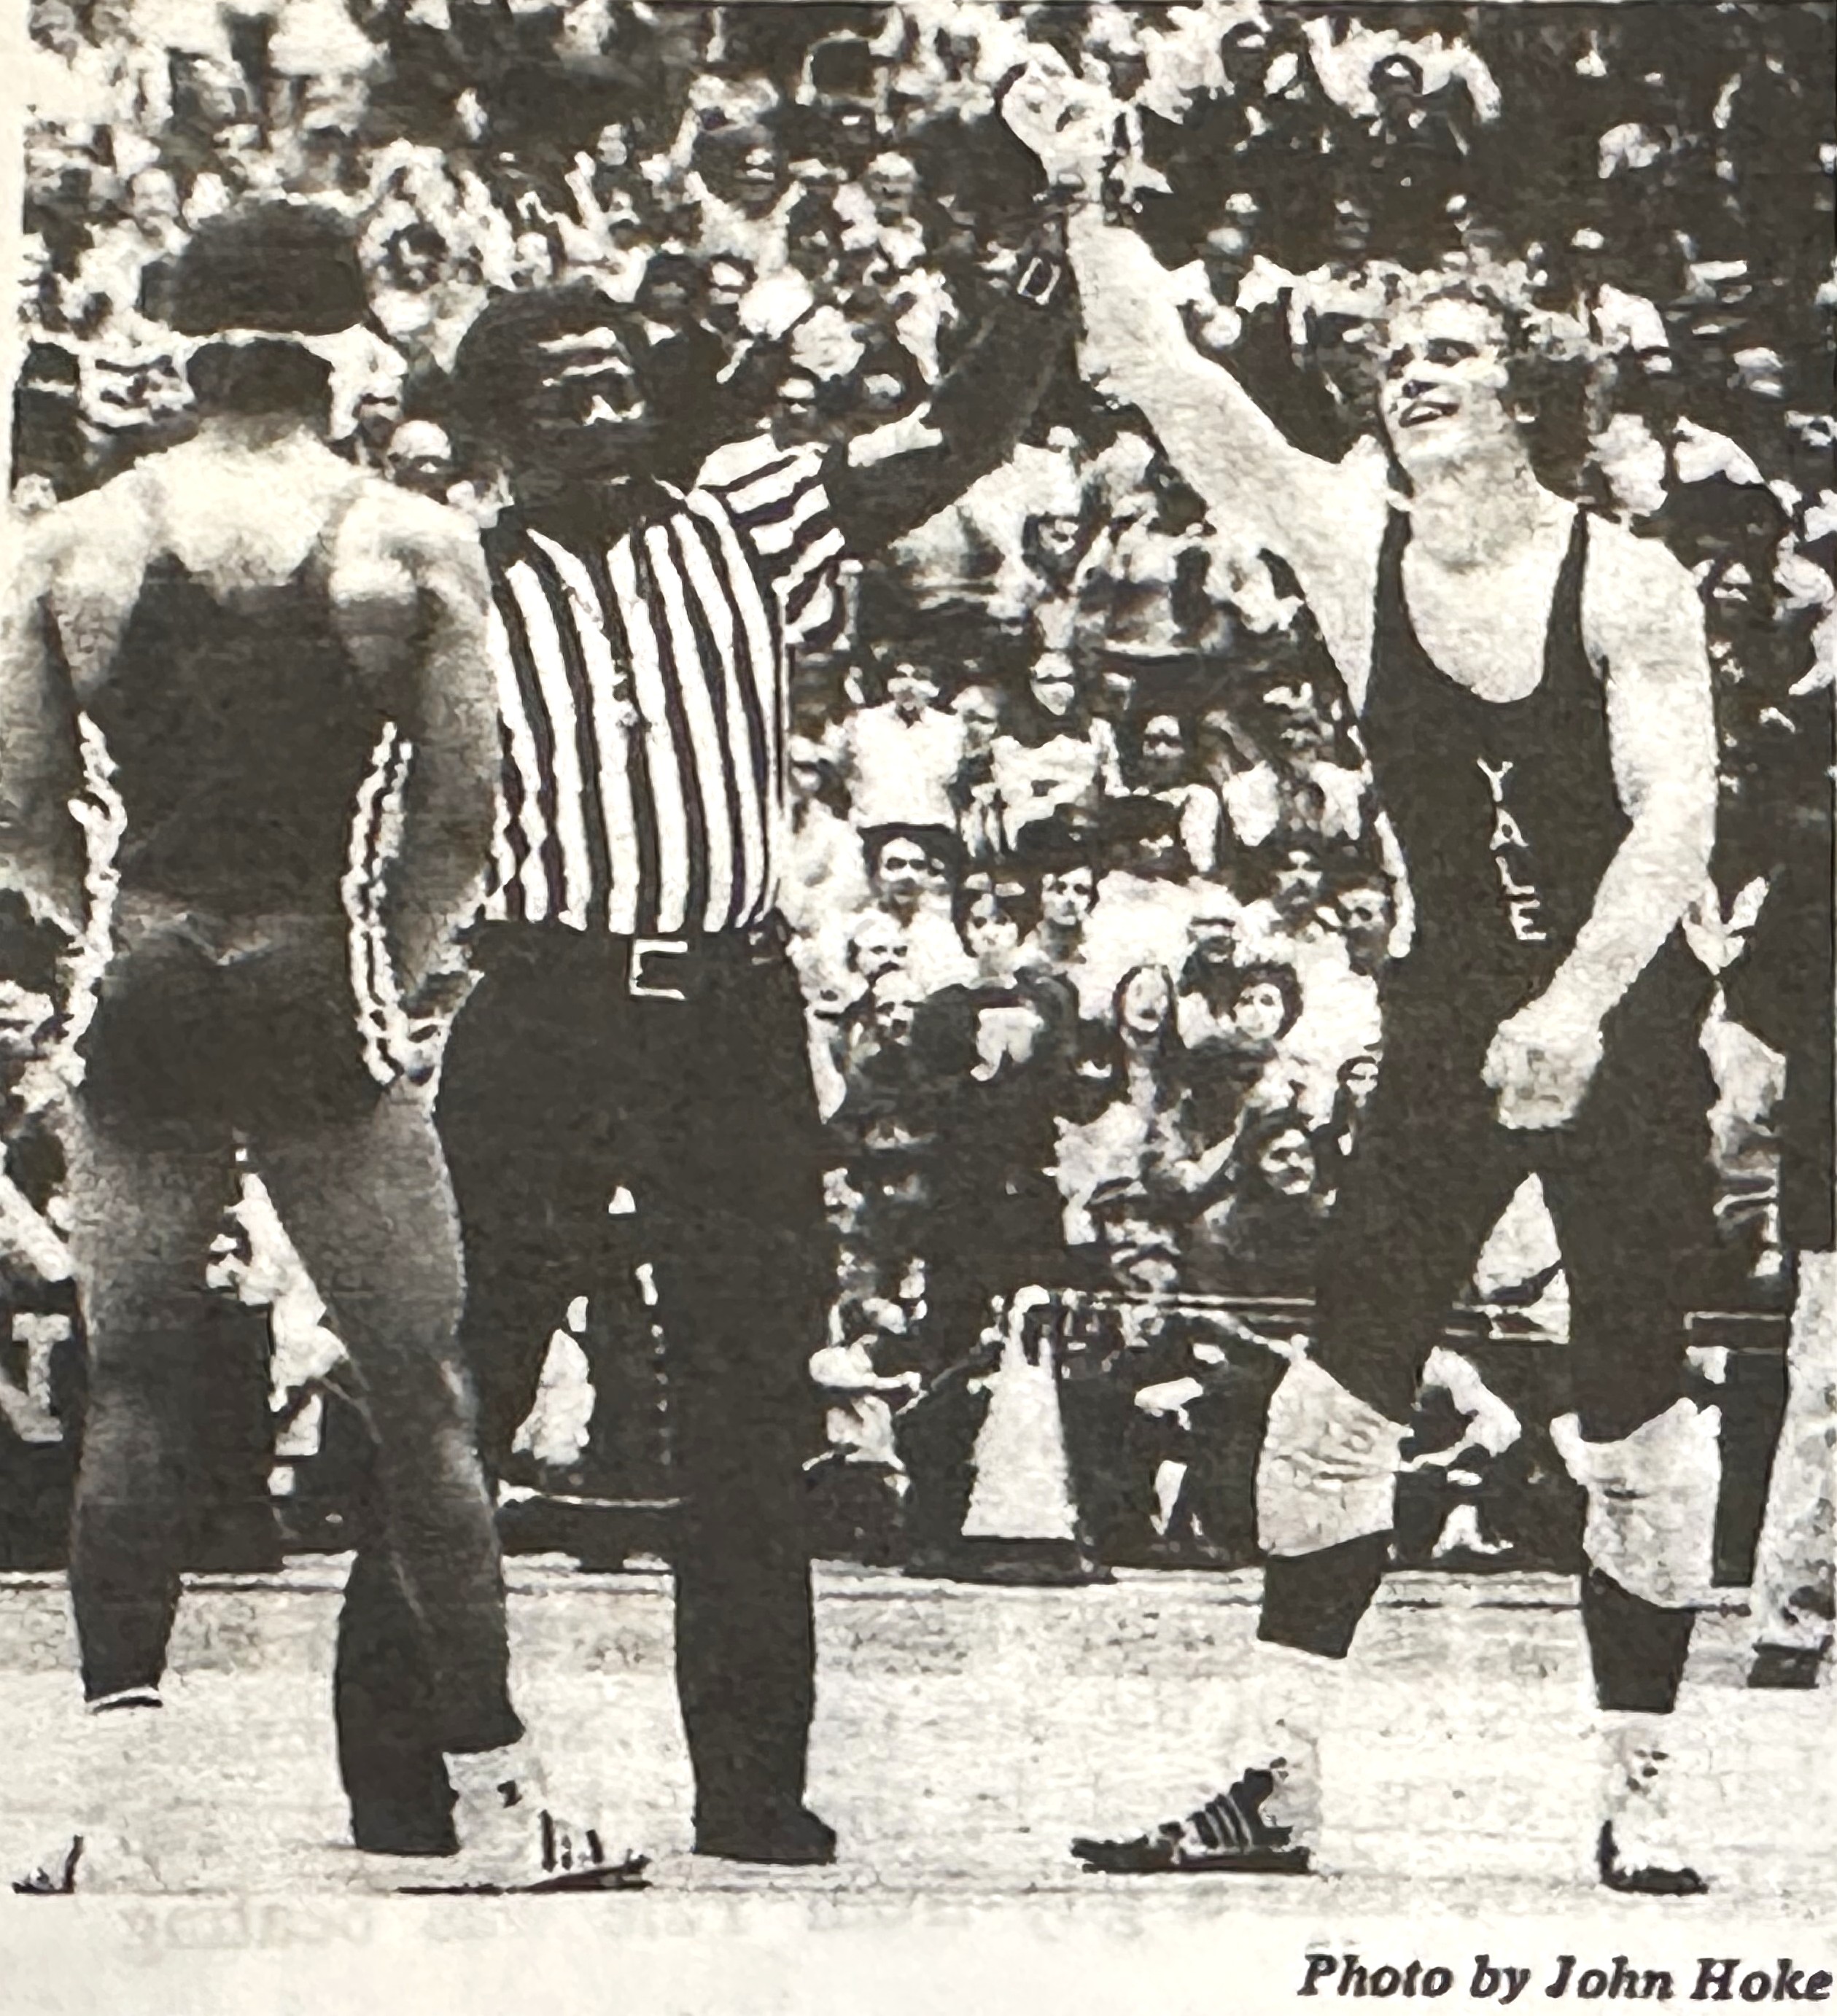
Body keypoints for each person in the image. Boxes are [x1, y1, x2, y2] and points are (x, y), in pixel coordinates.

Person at [1006, 61, 1722, 1890]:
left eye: (1456, 353)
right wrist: (1087, 196)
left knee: (1635, 1405)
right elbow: (1168, 375)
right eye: (1400, 355)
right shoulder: (1352, 540)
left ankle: (1640, 1785)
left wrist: (1576, 1005)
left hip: (1626, 1016)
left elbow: (1675, 822)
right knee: (1337, 1391)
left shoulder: (1629, 580)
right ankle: (1272, 1778)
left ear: (1532, 393)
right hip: (1449, 1015)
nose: (1415, 372)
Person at [427, 211, 1075, 1864]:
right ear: (501, 429)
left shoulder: (746, 515)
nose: (605, 413)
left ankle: (751, 1781)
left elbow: (959, 433)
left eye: (619, 383)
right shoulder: (448, 578)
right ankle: (408, 1759)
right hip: (545, 998)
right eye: (564, 395)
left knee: (748, 1389)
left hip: (729, 1006)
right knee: (470, 1378)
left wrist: (1053, 245)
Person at [0, 205, 619, 1893]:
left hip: (144, 974)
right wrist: (389, 986)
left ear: (184, 349)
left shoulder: (69, 544)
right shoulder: (408, 541)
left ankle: (108, 1813)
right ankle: (500, 1804)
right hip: (314, 975)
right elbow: (463, 816)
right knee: (423, 1394)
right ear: (345, 352)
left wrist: (107, 929)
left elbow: (21, 812)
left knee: (134, 1387)